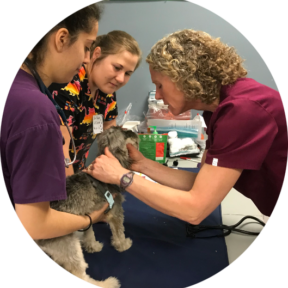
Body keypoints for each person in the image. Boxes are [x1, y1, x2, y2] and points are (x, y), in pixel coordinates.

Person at [84, 29, 288, 224]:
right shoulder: (218, 109)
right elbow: (202, 184)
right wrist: (142, 166)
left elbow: (194, 209)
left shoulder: (242, 110)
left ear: (183, 77)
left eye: (160, 85)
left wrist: (121, 177)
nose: (158, 96)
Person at [0, 3, 112, 240]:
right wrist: (91, 218)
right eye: (86, 47)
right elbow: (34, 225)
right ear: (62, 39)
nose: (85, 60)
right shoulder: (35, 110)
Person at [48, 30, 142, 175]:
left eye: (128, 73)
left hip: (78, 173)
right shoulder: (68, 88)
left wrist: (114, 177)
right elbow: (62, 154)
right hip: (56, 177)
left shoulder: (106, 93)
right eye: (117, 68)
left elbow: (111, 138)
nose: (121, 79)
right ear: (96, 54)